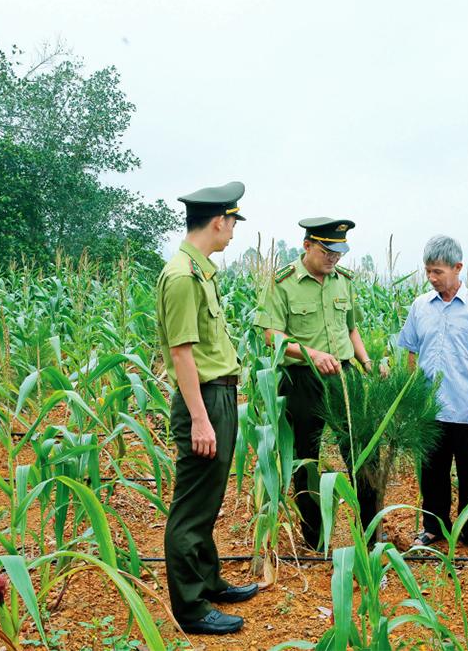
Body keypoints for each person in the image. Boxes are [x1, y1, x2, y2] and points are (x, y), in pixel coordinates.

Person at [157, 181, 258, 635]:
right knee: (192, 507)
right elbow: (181, 353)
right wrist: (200, 417)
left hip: (218, 396)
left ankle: (209, 580)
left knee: (209, 499)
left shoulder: (200, 272)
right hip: (205, 401)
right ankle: (191, 608)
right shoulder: (182, 276)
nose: (234, 232)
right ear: (218, 221)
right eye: (233, 223)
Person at [254, 218, 377, 550]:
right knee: (306, 458)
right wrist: (311, 354)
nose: (333, 259)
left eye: (339, 252)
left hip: (344, 377)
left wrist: (365, 362)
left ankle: (370, 534)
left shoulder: (344, 282)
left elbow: (352, 329)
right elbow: (270, 334)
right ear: (307, 245)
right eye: (327, 251)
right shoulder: (282, 282)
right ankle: (315, 538)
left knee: (363, 452)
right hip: (302, 380)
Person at [398, 235, 468, 554]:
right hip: (430, 408)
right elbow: (410, 350)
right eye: (428, 272)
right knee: (432, 473)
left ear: (457, 268)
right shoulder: (421, 307)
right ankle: (433, 527)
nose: (432, 278)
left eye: (438, 272)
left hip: (466, 408)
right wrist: (411, 397)